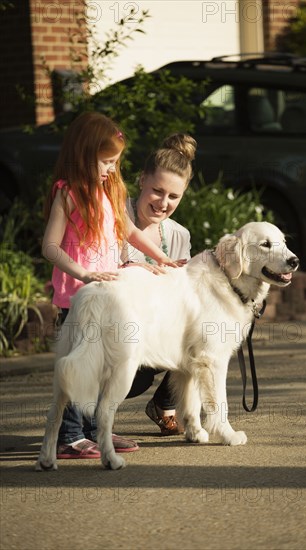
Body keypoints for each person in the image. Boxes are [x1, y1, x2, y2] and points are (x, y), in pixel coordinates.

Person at [42, 112, 184, 459]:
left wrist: (161, 258)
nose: (110, 168)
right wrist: (84, 273)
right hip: (76, 297)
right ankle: (70, 435)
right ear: (83, 154)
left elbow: (131, 232)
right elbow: (50, 247)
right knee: (81, 364)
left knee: (104, 366)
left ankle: (96, 429)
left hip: (108, 298)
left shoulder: (109, 193)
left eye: (114, 162)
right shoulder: (68, 194)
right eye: (105, 161)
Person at [122, 133, 197, 435]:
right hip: (116, 329)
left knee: (204, 333)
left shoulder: (178, 234)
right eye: (157, 191)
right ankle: (86, 418)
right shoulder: (113, 215)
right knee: (131, 382)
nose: (163, 203)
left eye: (174, 197)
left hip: (156, 330)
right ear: (142, 180)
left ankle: (165, 403)